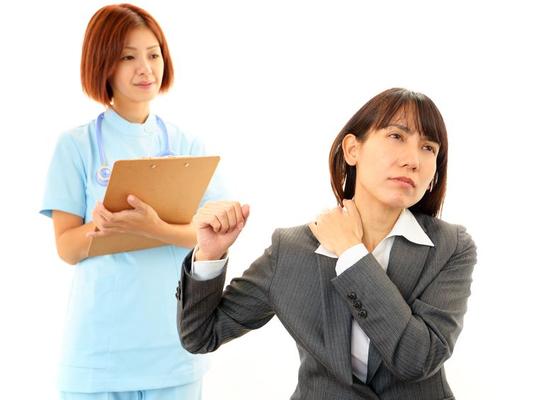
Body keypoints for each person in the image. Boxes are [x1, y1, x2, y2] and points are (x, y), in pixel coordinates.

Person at [177, 88, 477, 399]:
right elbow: (200, 336)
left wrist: (351, 252)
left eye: (428, 147)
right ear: (352, 149)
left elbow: (417, 359)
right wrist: (210, 254)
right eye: (396, 136)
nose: (412, 160)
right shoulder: (292, 249)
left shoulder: (451, 247)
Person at [40, 4, 224, 399]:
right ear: (103, 63)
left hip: (172, 350)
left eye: (153, 55)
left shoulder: (188, 145)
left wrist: (153, 228)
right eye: (128, 57)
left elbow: (211, 233)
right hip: (98, 355)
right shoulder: (76, 146)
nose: (145, 69)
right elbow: (67, 248)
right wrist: (106, 225)